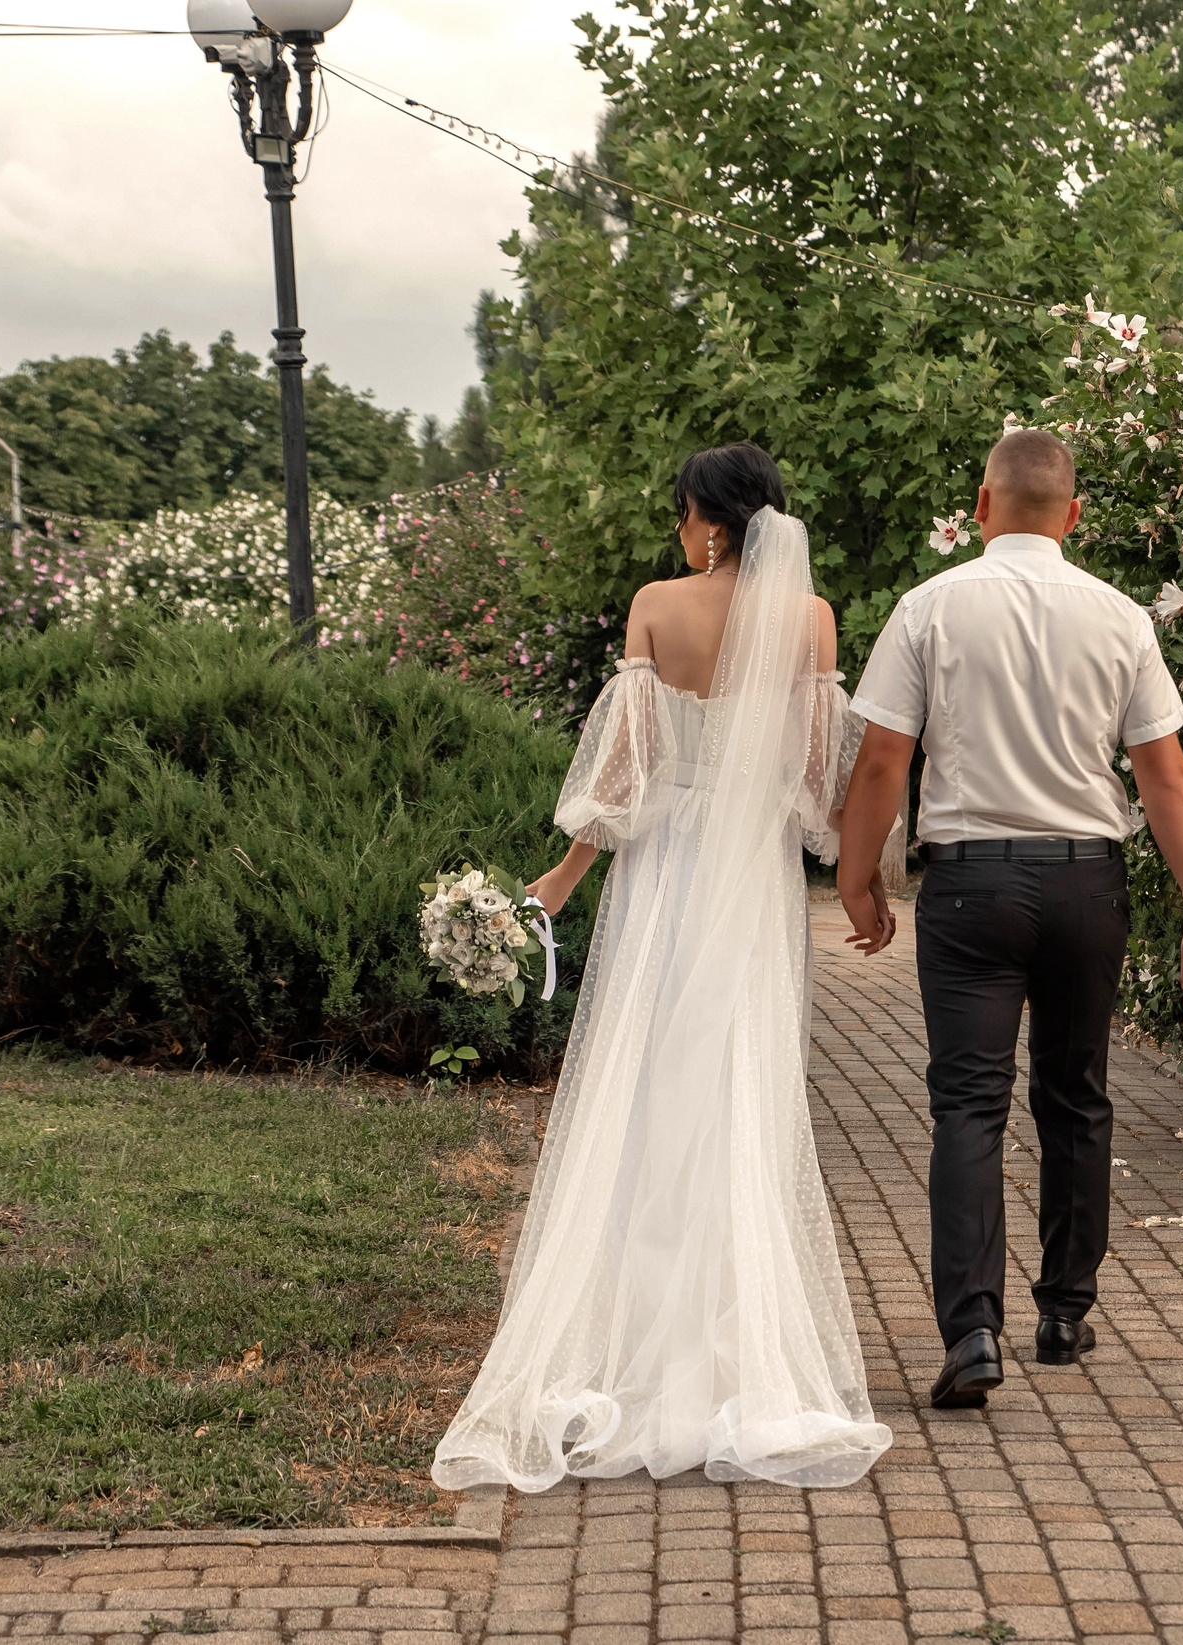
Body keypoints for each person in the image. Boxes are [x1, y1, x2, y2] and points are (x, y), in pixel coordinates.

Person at [432, 443, 896, 1492]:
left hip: (662, 871)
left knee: (641, 1080)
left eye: (684, 513)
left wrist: (563, 875)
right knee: (739, 1081)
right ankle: (734, 1349)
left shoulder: (654, 606)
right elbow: (815, 776)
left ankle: (629, 1334)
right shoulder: (812, 621)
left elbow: (627, 768)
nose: (679, 531)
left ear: (711, 524)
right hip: (749, 873)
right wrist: (851, 867)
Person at [833, 427, 1183, 1410]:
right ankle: (1064, 1309)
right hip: (1087, 885)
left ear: (981, 505)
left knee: (969, 1106)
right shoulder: (1120, 617)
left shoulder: (929, 608)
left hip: (971, 888)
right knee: (1075, 1096)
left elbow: (883, 760)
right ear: (1073, 515)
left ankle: (972, 1331)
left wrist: (857, 874)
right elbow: (1165, 776)